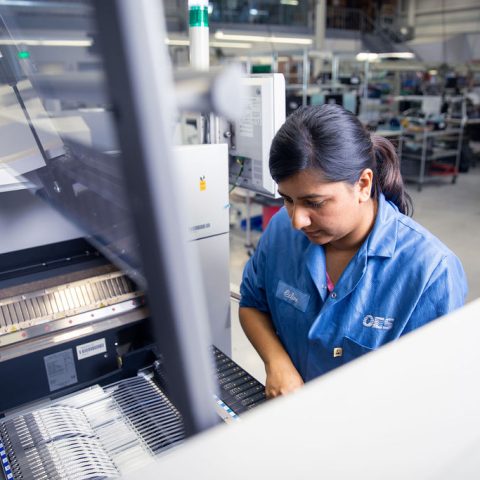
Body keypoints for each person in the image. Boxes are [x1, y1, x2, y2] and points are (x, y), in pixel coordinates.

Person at [239, 104, 468, 399]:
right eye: (287, 199)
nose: (297, 220)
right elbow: (252, 304)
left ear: (363, 184)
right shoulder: (281, 231)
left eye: (315, 202)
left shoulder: (430, 271)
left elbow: (437, 394)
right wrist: (277, 362)